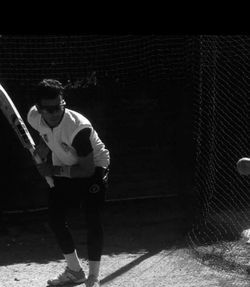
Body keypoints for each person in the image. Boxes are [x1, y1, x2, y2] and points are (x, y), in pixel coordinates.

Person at [27, 79, 110, 287]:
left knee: (93, 219)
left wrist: (52, 170)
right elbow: (46, 135)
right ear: (39, 109)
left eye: (59, 106)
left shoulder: (78, 128)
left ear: (63, 101)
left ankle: (93, 278)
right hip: (64, 166)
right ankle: (74, 271)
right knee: (55, 219)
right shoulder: (33, 117)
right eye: (49, 109)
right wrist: (43, 147)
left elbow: (87, 169)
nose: (56, 112)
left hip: (93, 169)